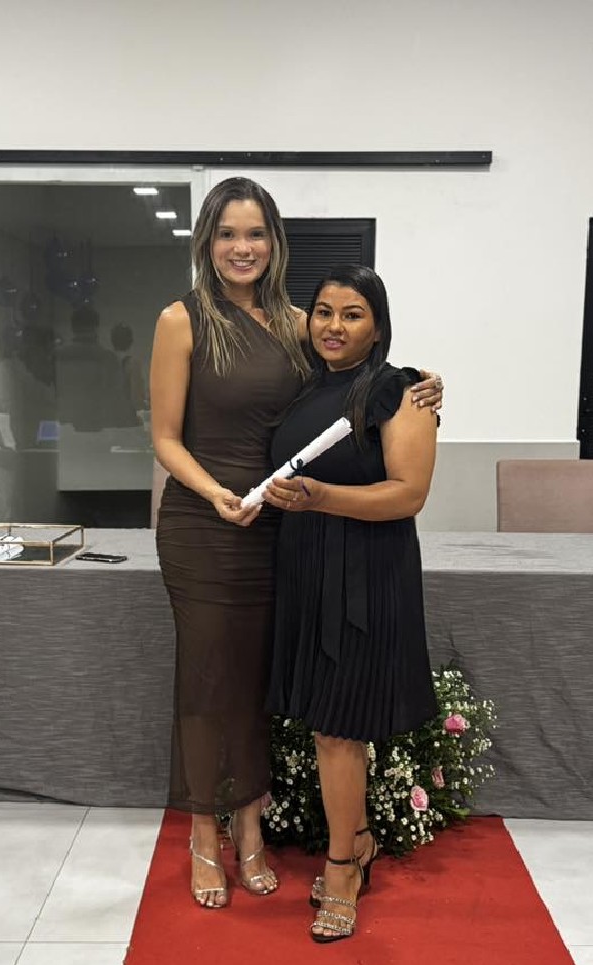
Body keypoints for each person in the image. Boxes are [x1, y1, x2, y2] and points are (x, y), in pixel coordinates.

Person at [150, 177, 443, 910]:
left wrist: (421, 384)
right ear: (207, 241)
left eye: (255, 233)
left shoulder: (296, 323)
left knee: (255, 682)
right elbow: (164, 437)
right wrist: (215, 492)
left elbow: (354, 384)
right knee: (208, 679)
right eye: (227, 233)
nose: (241, 247)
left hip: (280, 530)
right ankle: (203, 835)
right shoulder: (181, 320)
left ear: (275, 242)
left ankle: (250, 828)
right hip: (206, 525)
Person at [264, 264, 438, 943]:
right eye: (324, 311)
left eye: (353, 314)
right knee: (325, 723)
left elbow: (408, 493)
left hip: (365, 572)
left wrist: (320, 497)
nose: (334, 326)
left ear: (378, 325)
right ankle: (358, 838)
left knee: (339, 727)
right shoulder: (308, 388)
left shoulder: (401, 389)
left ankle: (342, 869)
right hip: (307, 567)